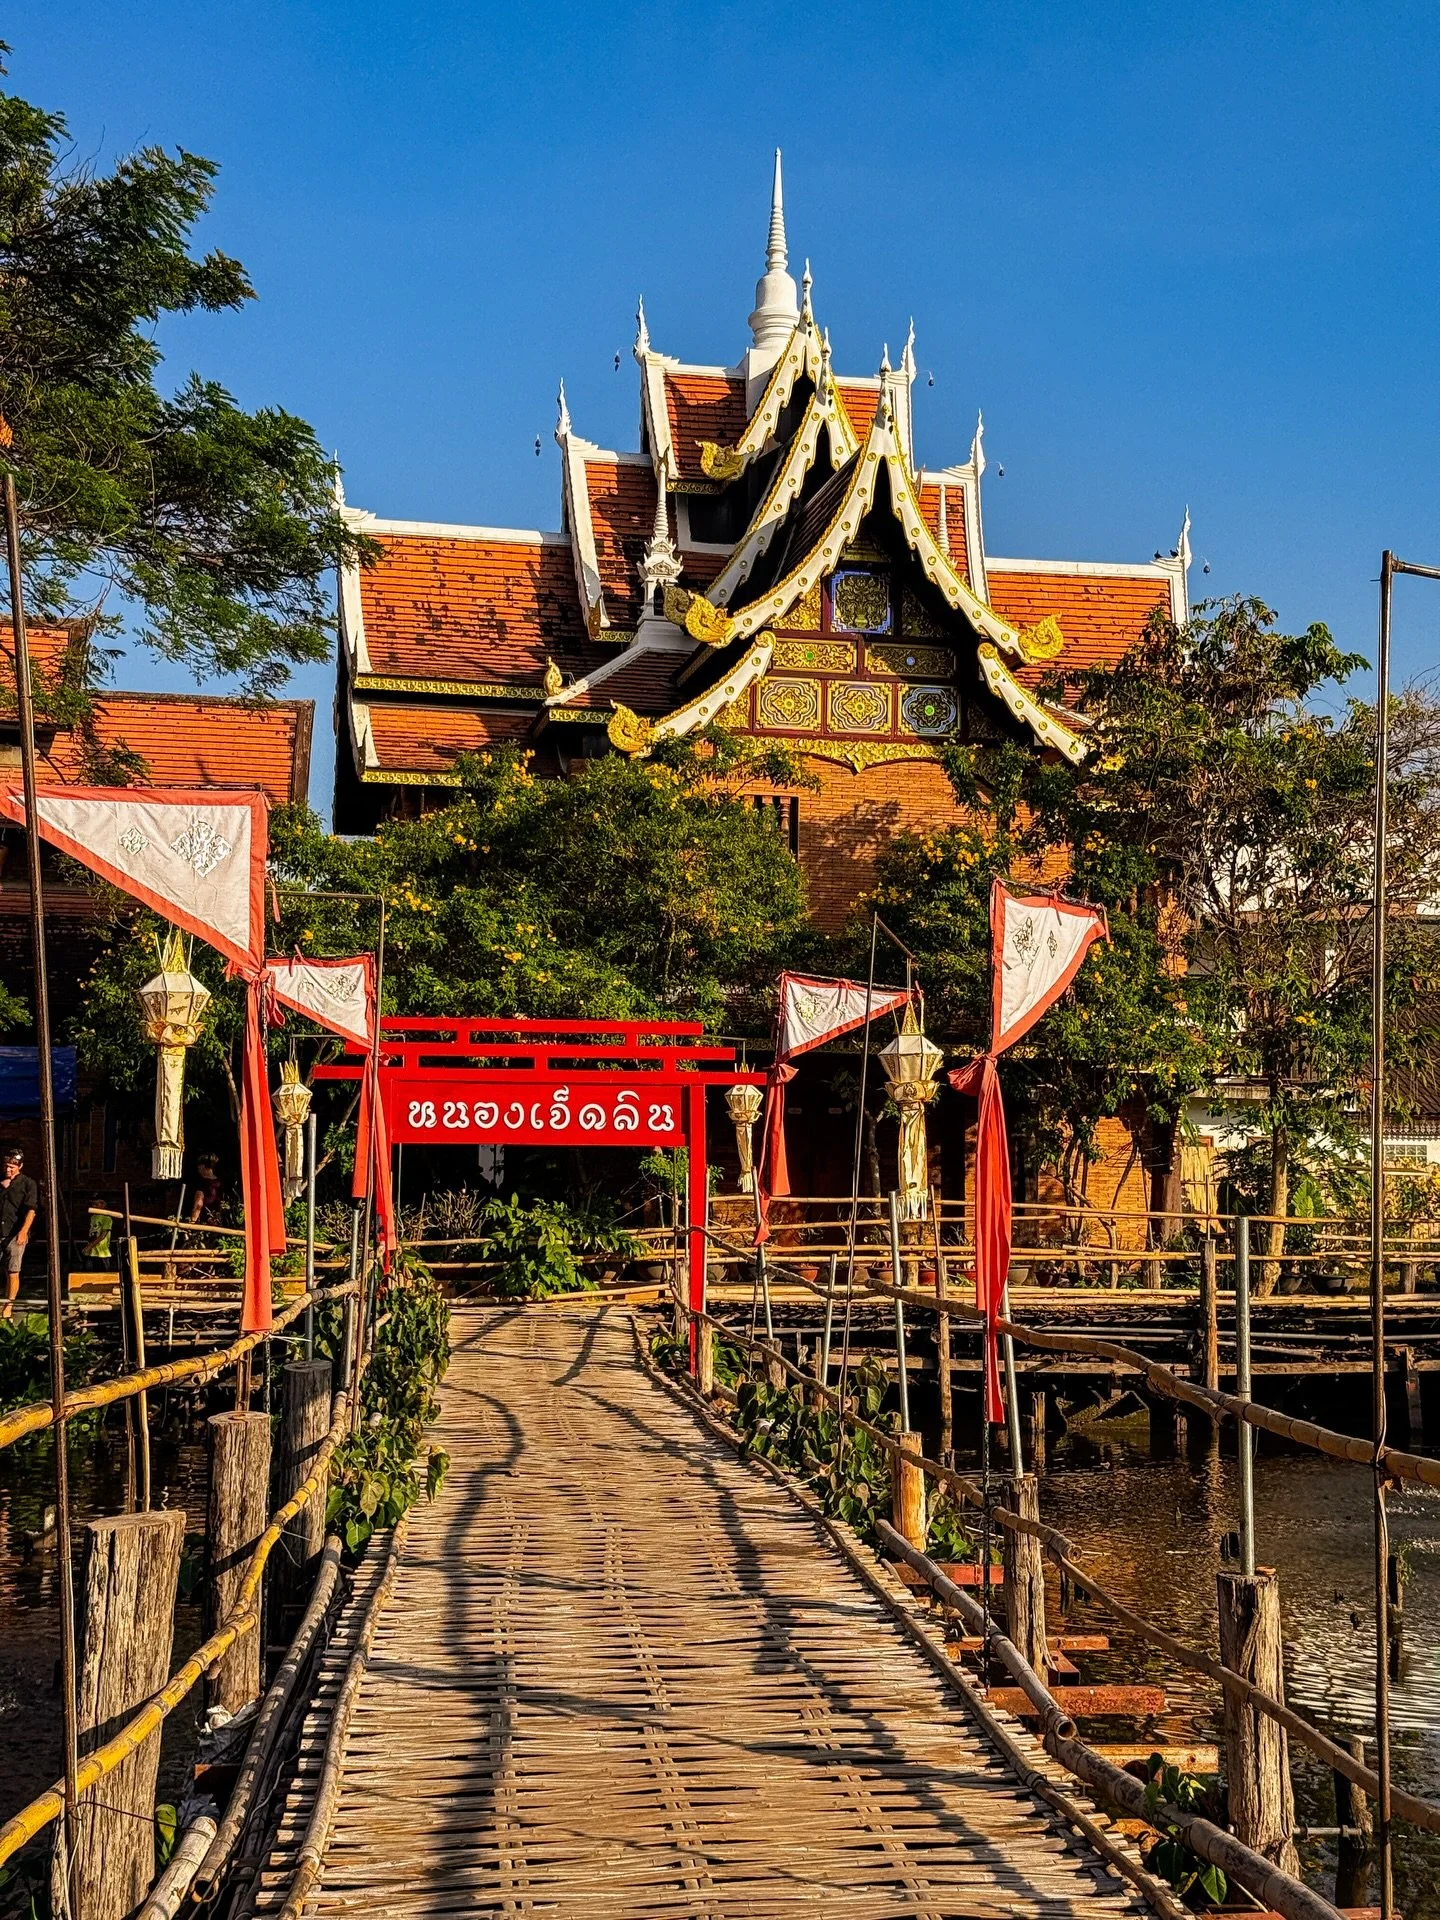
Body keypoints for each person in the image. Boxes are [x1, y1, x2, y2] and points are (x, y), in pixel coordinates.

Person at [1, 1146, 38, 1320]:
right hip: (1, 1229)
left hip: (15, 1233)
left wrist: (24, 1231)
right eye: (7, 1166)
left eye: (12, 1167)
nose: (8, 1169)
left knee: (13, 1270)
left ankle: (9, 1305)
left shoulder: (28, 1183)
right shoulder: (1, 1182)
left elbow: (31, 1209)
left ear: (20, 1166)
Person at [188, 1153, 222, 1224]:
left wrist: (192, 1222)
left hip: (205, 1220)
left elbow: (198, 1204)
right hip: (218, 1220)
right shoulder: (220, 1182)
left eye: (199, 1166)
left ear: (203, 1166)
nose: (198, 1169)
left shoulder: (202, 1183)